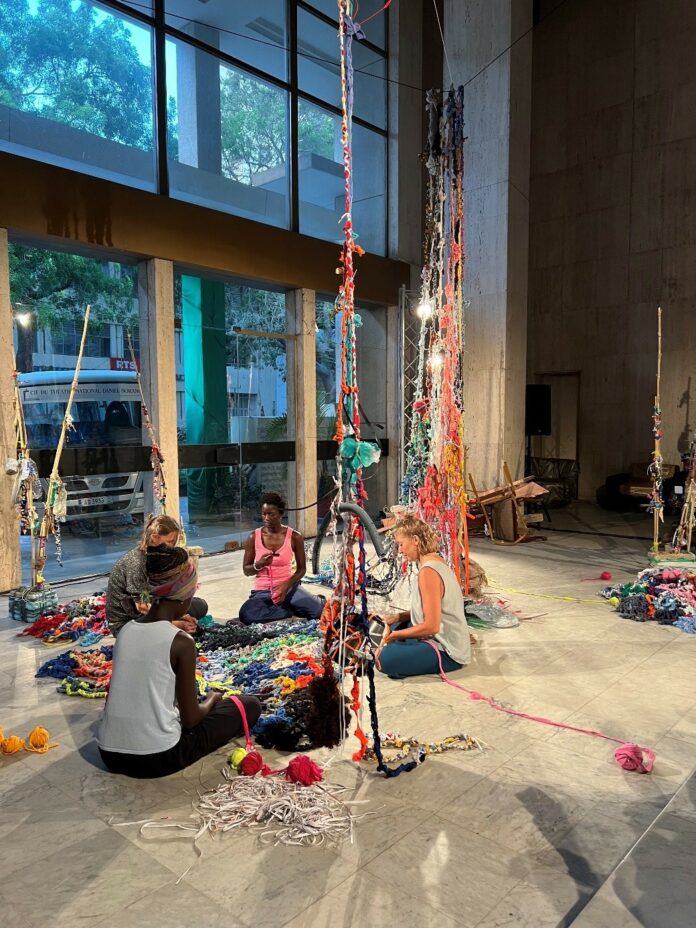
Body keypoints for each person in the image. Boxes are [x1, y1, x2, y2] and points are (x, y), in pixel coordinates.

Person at [97, 546, 261, 778]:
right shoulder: (181, 642)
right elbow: (191, 719)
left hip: (109, 755)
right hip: (157, 757)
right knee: (249, 705)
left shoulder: (125, 631)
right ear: (183, 596)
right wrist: (212, 699)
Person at [376, 515, 471, 679]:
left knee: (383, 660)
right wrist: (398, 616)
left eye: (401, 545)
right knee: (390, 624)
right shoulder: (434, 561)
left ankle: (404, 650)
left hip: (448, 651)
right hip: (440, 636)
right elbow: (430, 608)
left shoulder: (428, 572)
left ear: (415, 540)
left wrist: (394, 636)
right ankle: (405, 646)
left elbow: (432, 627)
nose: (400, 550)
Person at [106, 514, 208, 637]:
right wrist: (176, 624)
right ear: (154, 538)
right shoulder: (138, 563)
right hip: (127, 625)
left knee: (200, 606)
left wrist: (181, 615)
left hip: (153, 607)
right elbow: (141, 607)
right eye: (170, 542)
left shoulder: (155, 556)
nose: (172, 547)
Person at [239, 491, 324, 625]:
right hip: (262, 592)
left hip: (289, 588)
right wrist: (259, 564)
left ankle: (296, 605)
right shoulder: (253, 537)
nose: (266, 518)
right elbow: (246, 570)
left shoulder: (295, 537)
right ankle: (286, 611)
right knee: (246, 614)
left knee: (319, 611)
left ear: (280, 514)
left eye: (271, 514)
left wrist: (285, 586)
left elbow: (301, 570)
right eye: (263, 514)